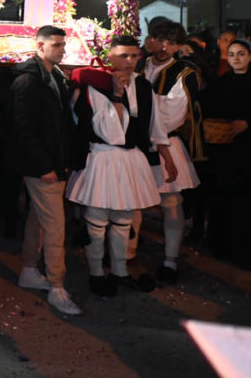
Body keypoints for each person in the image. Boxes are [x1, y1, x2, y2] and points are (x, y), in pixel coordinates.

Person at [66, 36, 173, 296]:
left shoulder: (144, 86)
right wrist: (115, 93)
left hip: (130, 158)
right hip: (103, 158)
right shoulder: (96, 86)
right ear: (110, 57)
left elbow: (154, 126)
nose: (129, 61)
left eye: (134, 56)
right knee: (97, 221)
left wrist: (166, 157)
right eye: (123, 56)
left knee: (124, 218)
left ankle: (120, 271)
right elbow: (110, 131)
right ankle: (95, 274)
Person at [7, 26, 81, 315]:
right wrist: (44, 166)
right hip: (42, 167)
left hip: (51, 163)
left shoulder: (54, 77)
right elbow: (24, 129)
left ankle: (28, 269)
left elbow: (58, 126)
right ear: (40, 45)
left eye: (64, 45)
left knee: (39, 219)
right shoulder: (29, 81)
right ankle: (56, 286)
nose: (63, 49)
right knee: (55, 226)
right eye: (58, 45)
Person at [128, 21, 202, 283]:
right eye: (159, 40)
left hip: (166, 145)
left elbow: (173, 115)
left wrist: (142, 115)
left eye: (170, 42)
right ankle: (128, 253)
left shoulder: (184, 73)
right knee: (133, 201)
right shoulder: (139, 64)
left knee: (170, 204)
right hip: (136, 144)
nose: (163, 46)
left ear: (179, 45)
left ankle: (170, 260)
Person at [201, 39, 251, 268]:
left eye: (241, 54)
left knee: (246, 199)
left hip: (250, 150)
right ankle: (222, 246)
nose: (236, 58)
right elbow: (208, 106)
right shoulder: (221, 83)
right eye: (232, 54)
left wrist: (249, 122)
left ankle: (247, 252)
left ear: (250, 57)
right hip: (224, 148)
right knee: (223, 196)